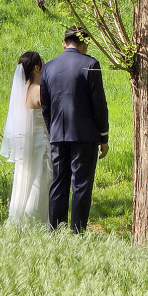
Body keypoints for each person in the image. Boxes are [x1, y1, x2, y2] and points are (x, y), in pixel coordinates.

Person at [40, 26, 109, 232]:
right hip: (84, 135)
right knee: (81, 185)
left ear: (65, 43)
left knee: (59, 183)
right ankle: (77, 231)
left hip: (58, 134)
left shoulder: (49, 67)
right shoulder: (90, 64)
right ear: (84, 43)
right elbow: (99, 105)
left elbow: (45, 105)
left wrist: (52, 130)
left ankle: (56, 231)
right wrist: (103, 136)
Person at [0, 51, 52, 224]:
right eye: (43, 63)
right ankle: (36, 221)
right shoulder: (40, 90)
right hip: (41, 141)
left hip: (27, 140)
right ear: (37, 68)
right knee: (41, 179)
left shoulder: (23, 90)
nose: (46, 66)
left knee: (26, 178)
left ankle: (21, 218)